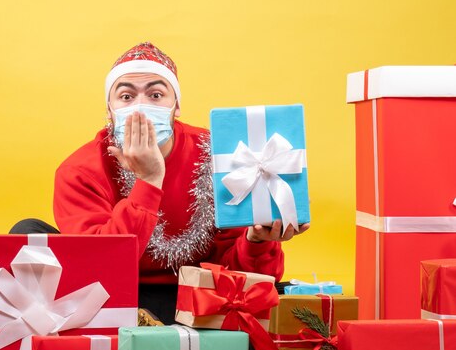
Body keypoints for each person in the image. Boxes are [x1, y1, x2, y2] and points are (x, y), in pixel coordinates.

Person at [47, 42, 309, 323]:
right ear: (109, 109)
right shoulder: (79, 171)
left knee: (264, 308)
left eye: (156, 94)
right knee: (30, 235)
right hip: (115, 298)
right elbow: (100, 267)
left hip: (197, 298)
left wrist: (256, 241)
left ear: (177, 105)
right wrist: (149, 180)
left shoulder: (215, 155)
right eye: (126, 96)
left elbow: (241, 275)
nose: (140, 108)